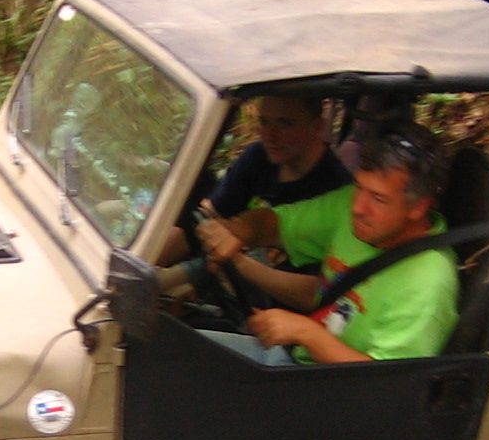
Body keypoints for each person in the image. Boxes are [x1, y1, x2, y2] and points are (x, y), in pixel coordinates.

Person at [197, 120, 458, 364]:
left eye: (378, 199)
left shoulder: (427, 283)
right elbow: (275, 224)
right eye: (359, 187)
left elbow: (388, 384)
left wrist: (306, 333)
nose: (357, 207)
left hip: (329, 390)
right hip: (294, 362)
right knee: (179, 348)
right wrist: (238, 231)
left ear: (418, 207)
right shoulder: (351, 208)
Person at [158, 95, 350, 287]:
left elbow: (315, 290)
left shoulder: (335, 195)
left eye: (285, 124)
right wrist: (149, 262)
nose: (270, 135)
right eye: (264, 122)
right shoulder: (257, 158)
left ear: (317, 127)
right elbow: (199, 226)